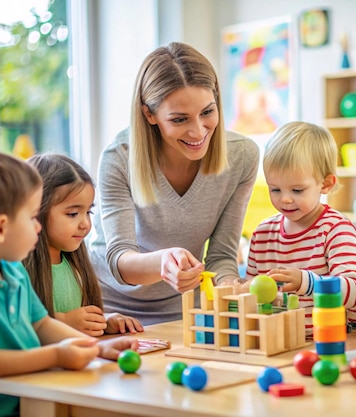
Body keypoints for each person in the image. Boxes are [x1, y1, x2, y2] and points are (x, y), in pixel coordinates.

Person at [0, 147, 137, 417]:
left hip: (27, 401)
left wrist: (96, 348)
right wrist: (57, 356)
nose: (38, 226)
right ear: (0, 228)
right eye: (33, 217)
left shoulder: (12, 271)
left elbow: (42, 323)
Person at [88, 42, 259, 325]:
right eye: (180, 119)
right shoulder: (119, 158)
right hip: (110, 310)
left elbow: (222, 256)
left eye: (207, 112)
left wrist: (234, 286)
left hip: (184, 310)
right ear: (149, 114)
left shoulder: (242, 156)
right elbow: (119, 259)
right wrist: (164, 262)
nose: (198, 131)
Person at [239, 121, 356, 335]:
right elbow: (252, 293)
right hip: (274, 342)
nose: (285, 199)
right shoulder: (262, 234)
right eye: (275, 189)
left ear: (325, 184)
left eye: (297, 190)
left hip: (327, 344)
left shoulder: (335, 229)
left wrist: (305, 282)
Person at [25, 153, 143, 336]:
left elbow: (78, 316)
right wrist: (63, 322)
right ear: (36, 211)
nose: (85, 224)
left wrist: (103, 321)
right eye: (73, 214)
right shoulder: (16, 270)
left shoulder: (76, 264)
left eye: (88, 212)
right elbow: (16, 328)